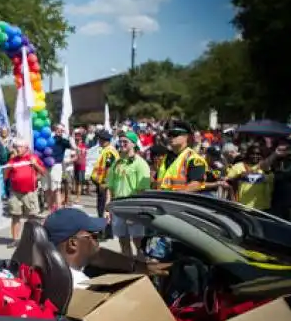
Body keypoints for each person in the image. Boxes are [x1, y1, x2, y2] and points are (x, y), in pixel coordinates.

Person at [43, 208, 170, 288]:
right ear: (73, 244)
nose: (98, 243)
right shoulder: (81, 286)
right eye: (94, 236)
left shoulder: (46, 268)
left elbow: (99, 256)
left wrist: (139, 267)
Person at [104, 131, 151, 259]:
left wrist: (137, 212)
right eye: (121, 142)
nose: (122, 144)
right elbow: (110, 186)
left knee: (138, 243)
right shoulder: (117, 162)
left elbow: (143, 191)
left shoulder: (140, 163)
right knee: (123, 241)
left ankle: (144, 271)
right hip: (118, 208)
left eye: (126, 142)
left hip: (133, 208)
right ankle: (128, 270)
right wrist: (107, 208)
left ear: (134, 144)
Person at [4, 139, 45, 247]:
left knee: (32, 217)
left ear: (26, 148)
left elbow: (43, 172)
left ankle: (33, 239)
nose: (17, 149)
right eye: (16, 146)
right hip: (15, 193)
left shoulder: (33, 158)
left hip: (29, 193)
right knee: (15, 216)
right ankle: (15, 240)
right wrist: (7, 168)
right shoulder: (13, 161)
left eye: (19, 147)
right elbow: (5, 176)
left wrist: (35, 165)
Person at [155, 120, 207, 192]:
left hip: (180, 201)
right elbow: (157, 181)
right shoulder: (165, 158)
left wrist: (175, 195)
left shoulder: (194, 159)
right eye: (169, 134)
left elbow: (197, 184)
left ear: (186, 136)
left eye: (175, 134)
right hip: (162, 200)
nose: (171, 137)